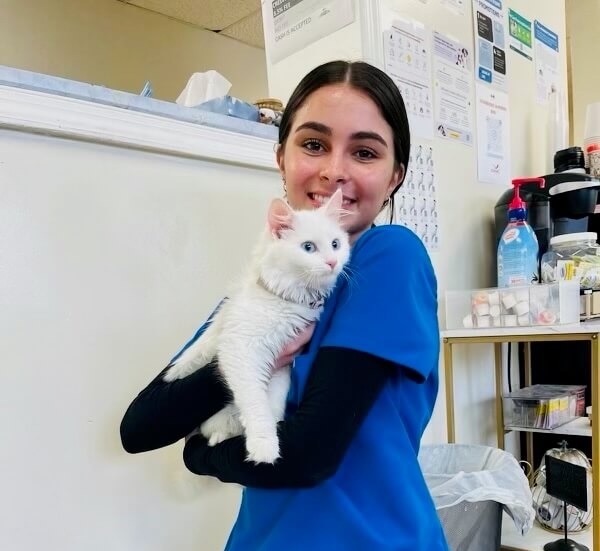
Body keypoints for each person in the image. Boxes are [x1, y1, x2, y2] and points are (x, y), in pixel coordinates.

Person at [120, 60, 447, 550]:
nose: (334, 173)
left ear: (395, 175)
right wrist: (261, 356)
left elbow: (307, 455)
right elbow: (141, 425)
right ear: (281, 158)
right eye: (313, 145)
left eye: (364, 152)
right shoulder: (263, 290)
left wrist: (204, 458)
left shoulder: (390, 258)